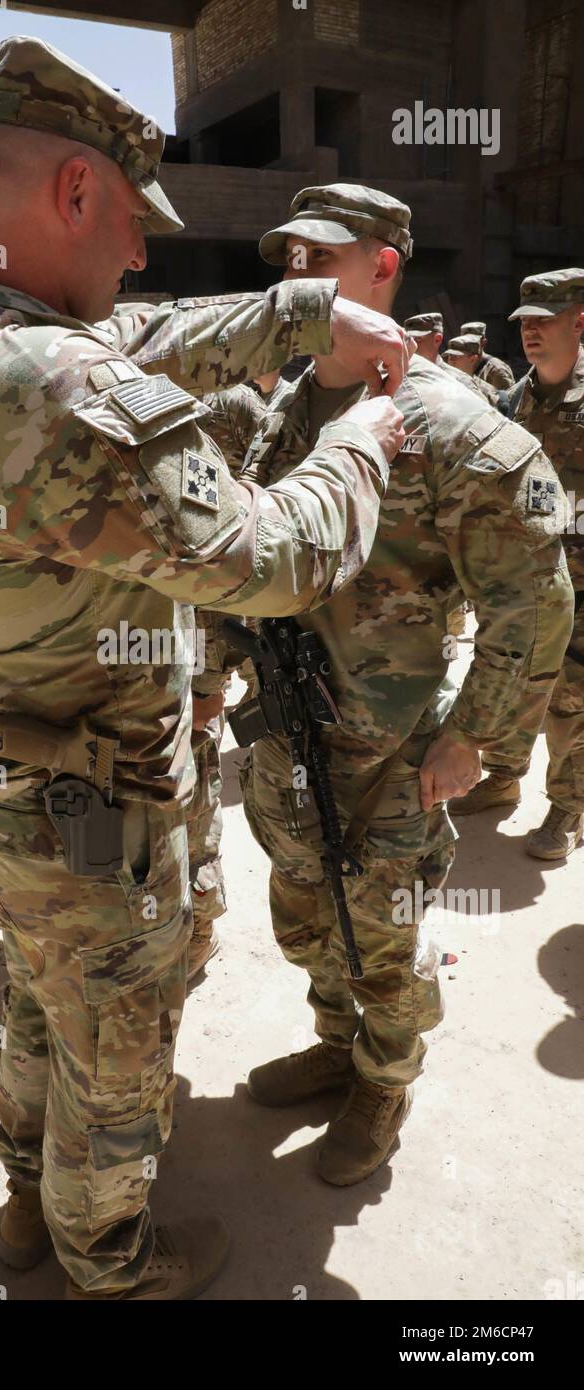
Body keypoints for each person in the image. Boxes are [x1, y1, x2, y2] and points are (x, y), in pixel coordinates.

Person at [0, 35, 410, 1300]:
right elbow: (271, 557)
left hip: (3, 782)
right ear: (71, 193)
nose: (138, 253)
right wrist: (366, 443)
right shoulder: (46, 377)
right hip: (93, 816)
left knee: (44, 1006)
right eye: (125, 220)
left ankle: (20, 1196)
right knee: (114, 1043)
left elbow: (140, 341)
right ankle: (110, 1261)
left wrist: (296, 312)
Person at [225, 183, 573, 1185]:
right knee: (304, 913)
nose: (295, 277)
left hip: (389, 750)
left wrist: (477, 736)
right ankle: (337, 1042)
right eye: (286, 258)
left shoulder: (451, 427)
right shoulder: (290, 407)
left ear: (382, 265)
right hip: (287, 737)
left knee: (381, 935)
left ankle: (383, 1078)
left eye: (319, 257)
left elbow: (534, 601)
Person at [451, 269, 584, 859]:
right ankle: (504, 777)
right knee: (509, 679)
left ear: (579, 321)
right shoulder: (513, 400)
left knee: (569, 697)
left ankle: (568, 807)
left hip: (580, 584)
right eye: (525, 322)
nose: (530, 332)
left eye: (544, 320)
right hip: (521, 576)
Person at [460, 319, 515, 391]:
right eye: (465, 341)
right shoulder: (461, 364)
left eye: (473, 342)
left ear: (483, 343)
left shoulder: (497, 370)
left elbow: (507, 400)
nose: (469, 346)